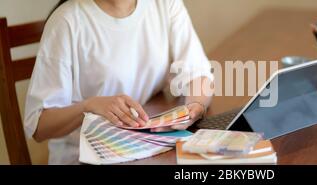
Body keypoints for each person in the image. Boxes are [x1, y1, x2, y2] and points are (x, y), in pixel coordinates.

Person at [24, 0, 214, 164]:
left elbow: (198, 74)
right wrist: (89, 106)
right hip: (84, 158)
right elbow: (39, 126)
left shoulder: (165, 4)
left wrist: (193, 109)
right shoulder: (67, 21)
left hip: (147, 148)